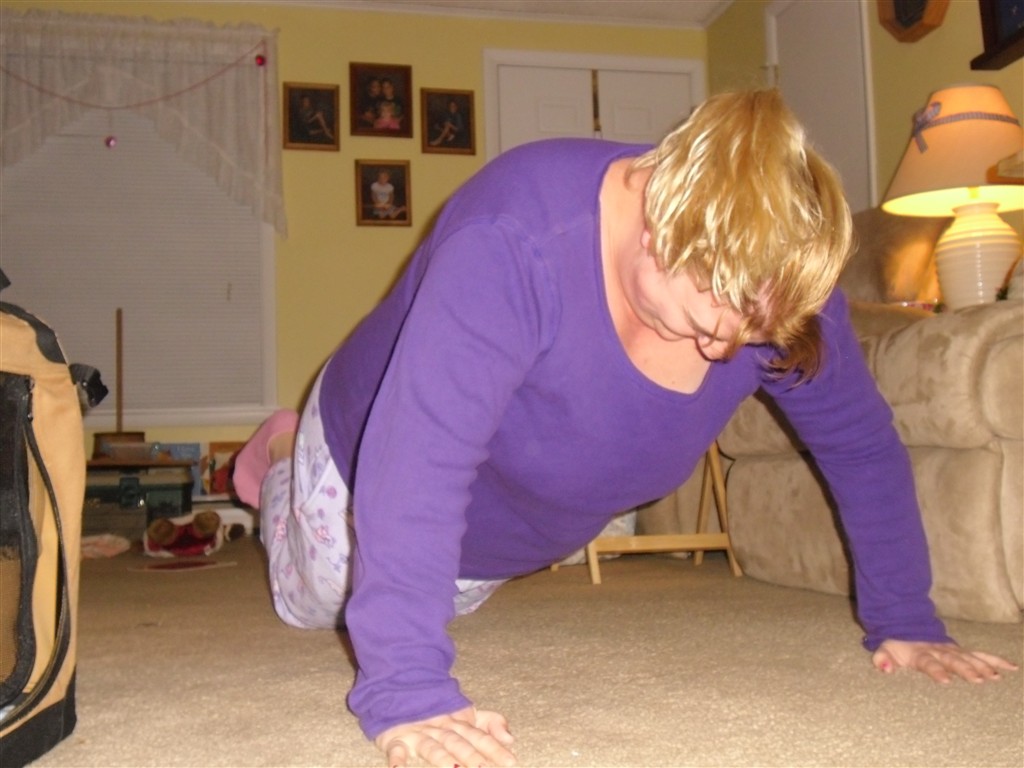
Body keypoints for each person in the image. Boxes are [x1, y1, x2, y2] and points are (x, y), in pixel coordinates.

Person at [233, 89, 1017, 768]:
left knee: (440, 596)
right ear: (657, 222)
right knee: (319, 606)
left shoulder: (772, 287)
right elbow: (418, 461)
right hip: (368, 447)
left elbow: (861, 446)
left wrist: (906, 618)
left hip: (499, 530)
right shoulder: (514, 238)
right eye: (704, 320)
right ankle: (280, 451)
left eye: (745, 336)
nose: (724, 352)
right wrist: (407, 690)